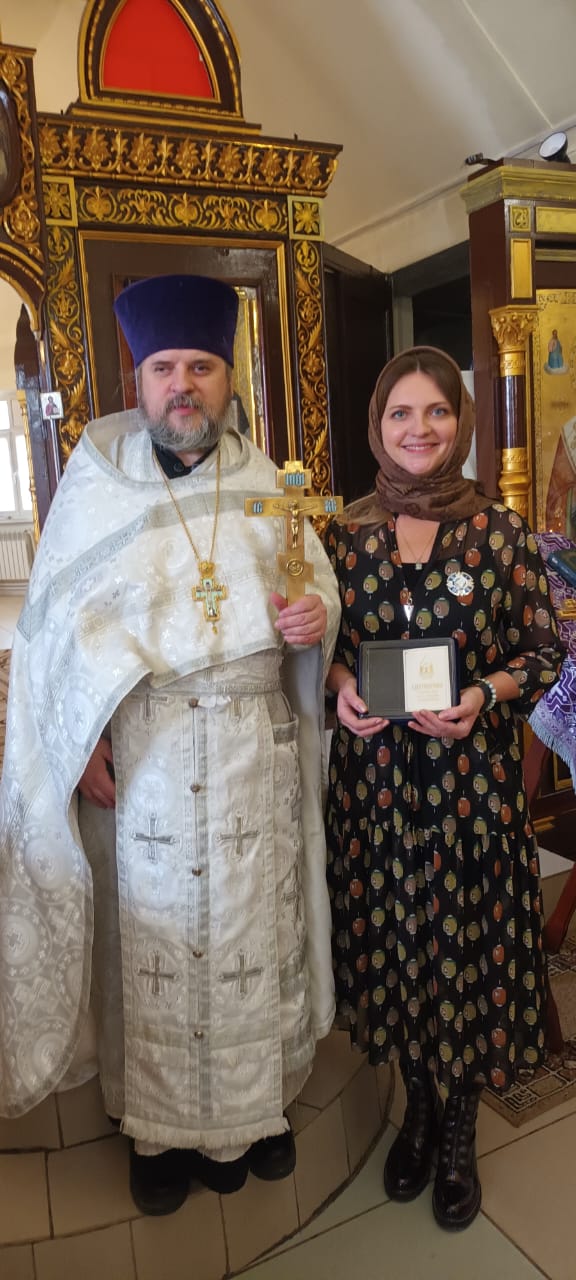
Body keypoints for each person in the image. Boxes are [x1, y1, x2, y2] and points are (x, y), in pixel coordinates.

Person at [0, 274, 341, 1216]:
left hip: (252, 757)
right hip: (144, 761)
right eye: (164, 369)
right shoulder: (95, 487)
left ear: (228, 378)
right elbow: (52, 637)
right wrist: (79, 742)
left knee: (250, 936)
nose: (182, 385)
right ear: (138, 379)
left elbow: (314, 587)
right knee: (154, 946)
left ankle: (253, 1117)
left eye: (201, 366)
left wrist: (317, 617)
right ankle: (155, 1135)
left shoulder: (272, 485)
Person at [324, 346, 563, 1231]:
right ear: (377, 426)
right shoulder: (342, 535)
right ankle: (417, 1104)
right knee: (396, 942)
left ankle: (459, 1124)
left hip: (471, 789)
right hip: (376, 791)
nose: (418, 429)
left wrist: (482, 696)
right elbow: (322, 649)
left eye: (436, 412)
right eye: (400, 413)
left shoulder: (500, 534)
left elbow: (542, 652)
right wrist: (338, 685)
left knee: (467, 946)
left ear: (459, 423)